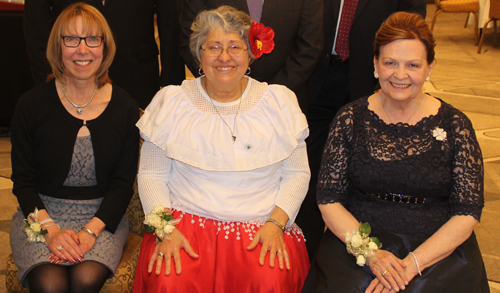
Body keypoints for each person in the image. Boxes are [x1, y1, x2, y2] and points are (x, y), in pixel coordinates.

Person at [303, 12, 489, 293]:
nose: (400, 75)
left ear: (429, 68)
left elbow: (467, 211)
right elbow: (329, 199)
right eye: (390, 63)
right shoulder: (349, 118)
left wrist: (412, 265)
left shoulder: (455, 124)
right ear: (376, 65)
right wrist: (371, 255)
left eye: (413, 64)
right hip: (360, 241)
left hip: (436, 247)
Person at [134, 5, 310, 292]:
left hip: (263, 226)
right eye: (213, 46)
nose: (224, 57)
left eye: (235, 47)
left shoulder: (279, 102)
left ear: (250, 53)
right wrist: (165, 229)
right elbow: (151, 175)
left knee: (269, 280)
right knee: (169, 280)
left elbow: (297, 173)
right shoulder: (172, 102)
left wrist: (277, 224)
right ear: (198, 55)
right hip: (182, 226)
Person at [9, 3, 139, 292]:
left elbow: (121, 185)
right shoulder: (30, 105)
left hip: (102, 218)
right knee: (49, 282)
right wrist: (51, 230)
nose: (83, 49)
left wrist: (90, 231)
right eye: (72, 39)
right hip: (40, 214)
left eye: (93, 39)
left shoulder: (125, 108)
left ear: (105, 47)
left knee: (85, 278)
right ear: (58, 47)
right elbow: (24, 183)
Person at [299, 0, 427, 259]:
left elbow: (412, 26)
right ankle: (308, 258)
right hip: (316, 79)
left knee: (367, 177)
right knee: (309, 177)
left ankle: (365, 251)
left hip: (374, 83)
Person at [24, 0, 184, 109]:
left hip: (138, 77)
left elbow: (171, 22)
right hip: (71, 80)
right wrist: (46, 85)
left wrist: (172, 88)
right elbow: (36, 27)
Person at [179, 0, 323, 112]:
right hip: (216, 100)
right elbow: (189, 37)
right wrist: (219, 83)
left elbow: (310, 46)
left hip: (281, 101)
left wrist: (272, 94)